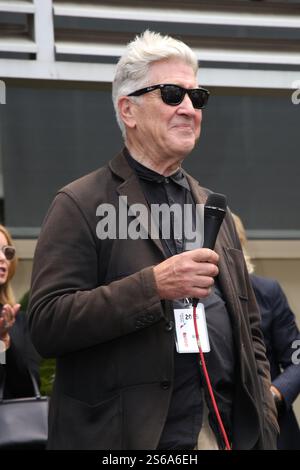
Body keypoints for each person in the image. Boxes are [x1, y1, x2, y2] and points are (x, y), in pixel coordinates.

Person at [28, 30, 278, 450]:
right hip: (130, 439)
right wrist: (153, 286)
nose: (188, 109)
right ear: (128, 110)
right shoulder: (80, 203)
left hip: (219, 432)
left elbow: (250, 331)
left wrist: (264, 425)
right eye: (171, 94)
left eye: (196, 98)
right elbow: (47, 323)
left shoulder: (212, 208)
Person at [232, 213, 300, 450]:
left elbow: (297, 360)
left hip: (272, 426)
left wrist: (274, 396)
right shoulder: (187, 296)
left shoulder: (267, 293)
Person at [0, 225, 40, 399]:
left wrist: (4, 343)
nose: (2, 258)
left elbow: (28, 390)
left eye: (6, 252)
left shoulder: (20, 321)